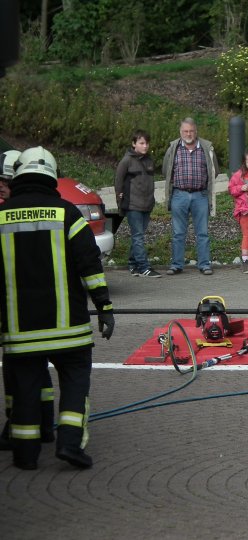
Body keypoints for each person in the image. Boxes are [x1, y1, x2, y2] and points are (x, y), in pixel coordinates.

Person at [0, 146, 114, 470]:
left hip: (20, 334)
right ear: (51, 175)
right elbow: (89, 265)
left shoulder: (1, 216)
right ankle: (69, 444)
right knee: (75, 384)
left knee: (24, 390)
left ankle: (25, 456)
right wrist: (104, 307)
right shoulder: (66, 213)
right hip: (70, 331)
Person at [0, 149, 55, 452]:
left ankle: (21, 428)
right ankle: (41, 424)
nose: (3, 186)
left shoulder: (10, 212)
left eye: (6, 181)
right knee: (34, 370)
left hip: (19, 313)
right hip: (34, 310)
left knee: (20, 373)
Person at [162, 118, 220, 276]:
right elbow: (165, 170)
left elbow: (215, 171)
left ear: (196, 131)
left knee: (202, 233)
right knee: (178, 233)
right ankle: (176, 264)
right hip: (179, 195)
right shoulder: (173, 148)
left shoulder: (206, 148)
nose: (188, 134)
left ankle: (204, 264)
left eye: (191, 131)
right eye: (185, 131)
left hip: (200, 196)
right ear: (180, 132)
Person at [115, 129, 160, 278]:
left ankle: (133, 264)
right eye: (141, 143)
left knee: (137, 236)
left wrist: (152, 201)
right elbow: (118, 182)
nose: (145, 146)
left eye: (147, 143)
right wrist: (120, 202)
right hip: (132, 205)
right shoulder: (127, 160)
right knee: (138, 236)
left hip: (147, 205)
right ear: (134, 144)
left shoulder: (149, 160)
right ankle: (143, 267)